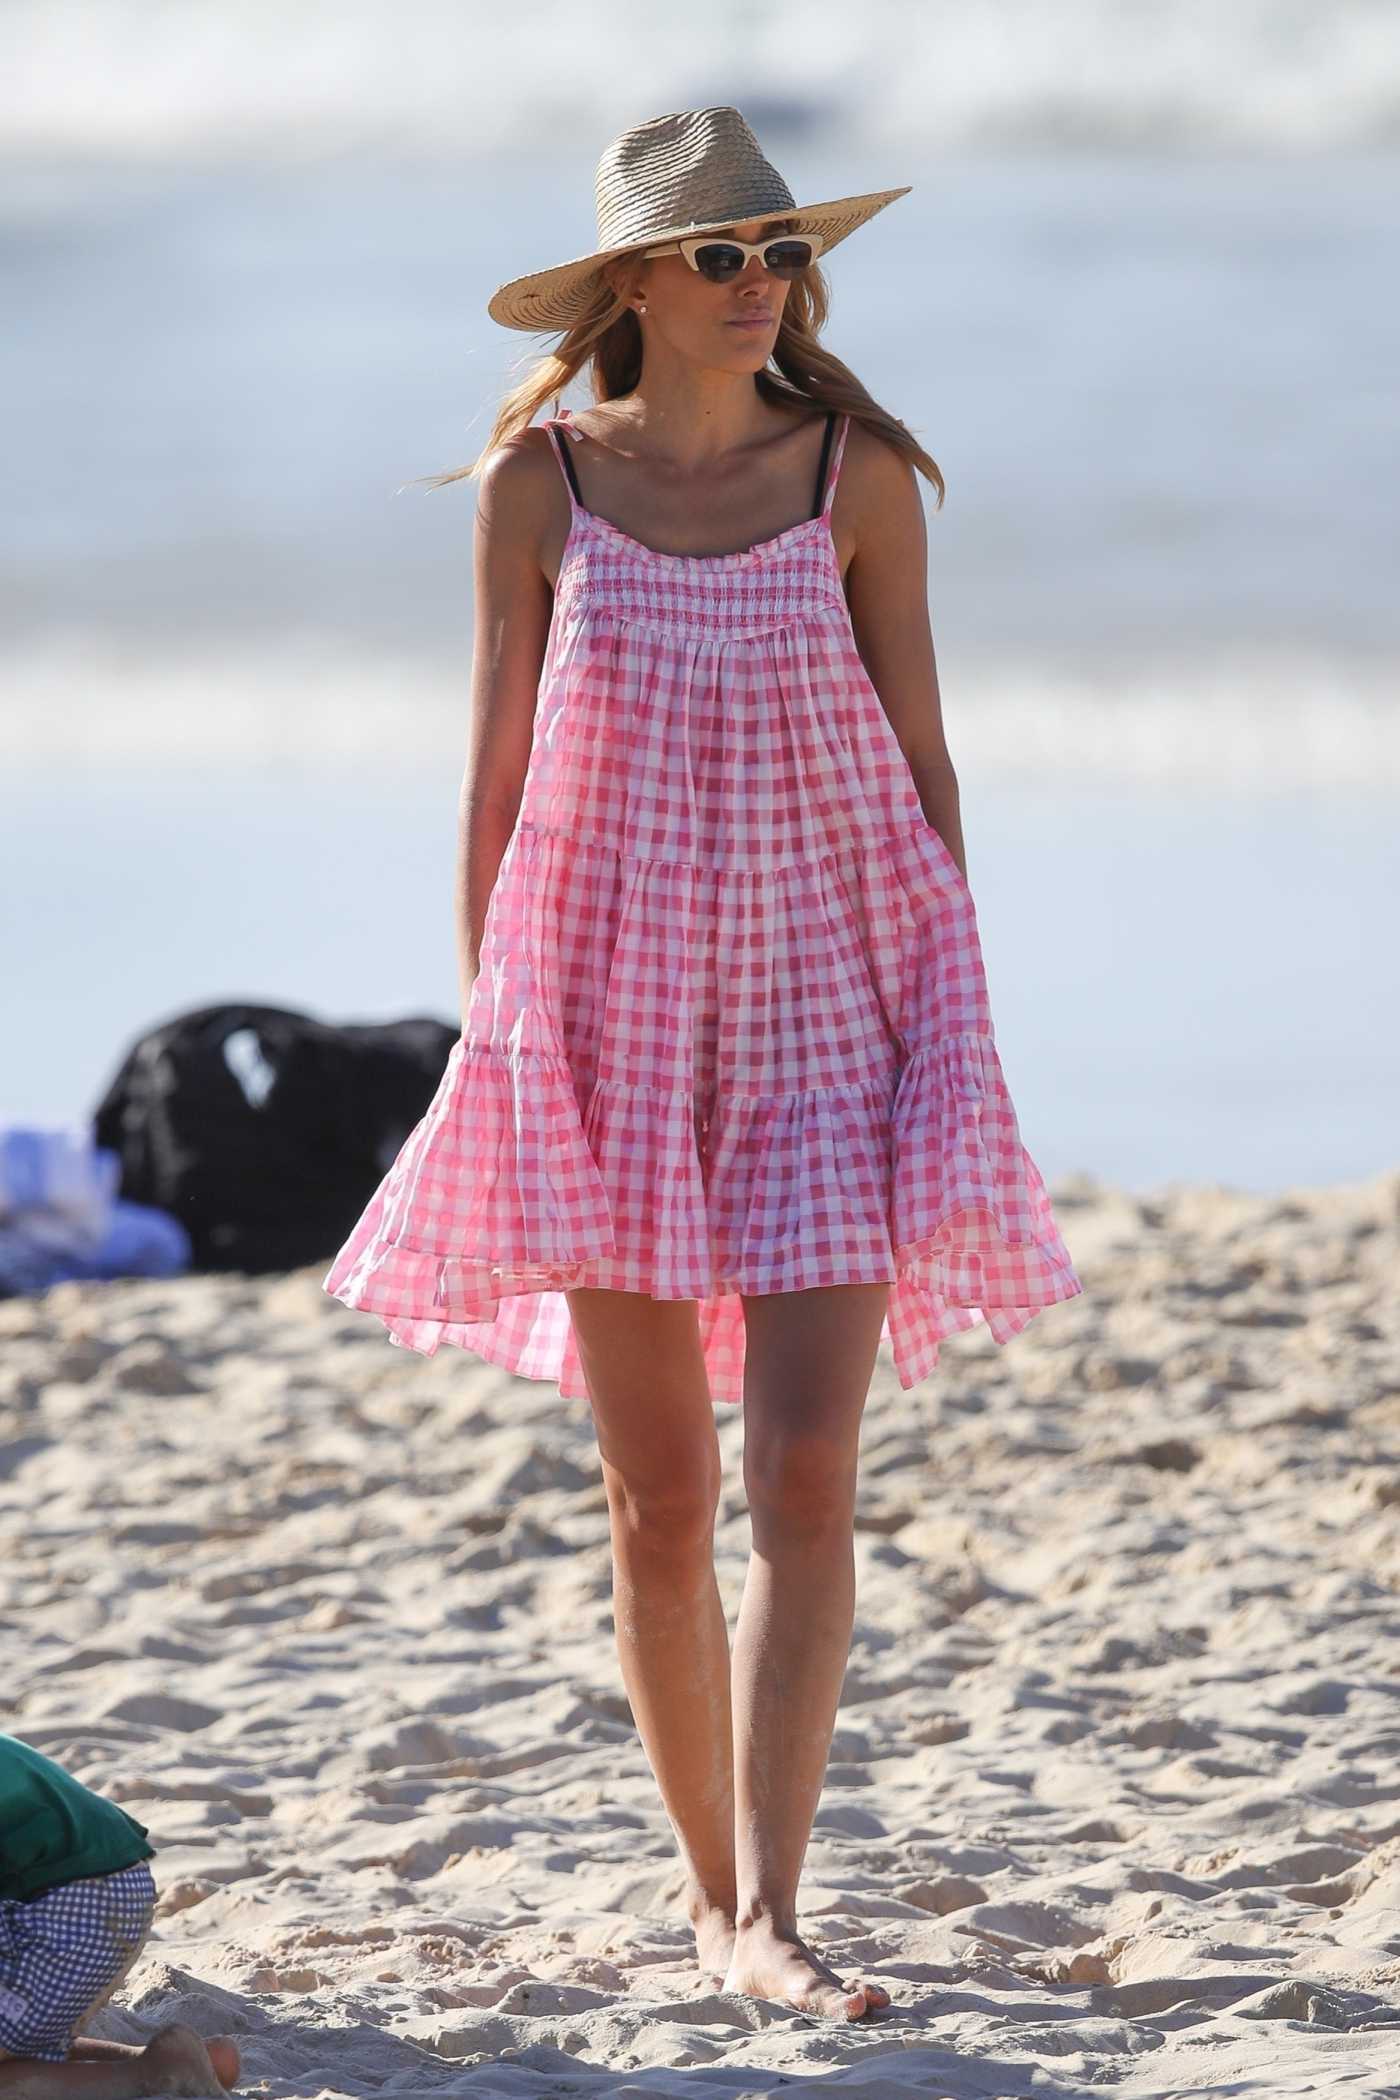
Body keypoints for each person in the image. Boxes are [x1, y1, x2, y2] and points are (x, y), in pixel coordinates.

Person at [325, 105, 1084, 2019]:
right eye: (726, 256)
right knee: (661, 1502)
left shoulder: (860, 475)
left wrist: (953, 1017)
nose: (766, 286)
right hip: (602, 1029)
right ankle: (705, 1890)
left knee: (809, 1476)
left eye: (782, 254)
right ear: (637, 287)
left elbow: (928, 764)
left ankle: (777, 1913)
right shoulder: (541, 488)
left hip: (835, 1013)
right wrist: (505, 1040)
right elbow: (493, 785)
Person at [0, 1734, 239, 2096]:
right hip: (107, 1881)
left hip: (74, 1903)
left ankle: (156, 2074)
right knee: (16, 2040)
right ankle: (174, 2061)